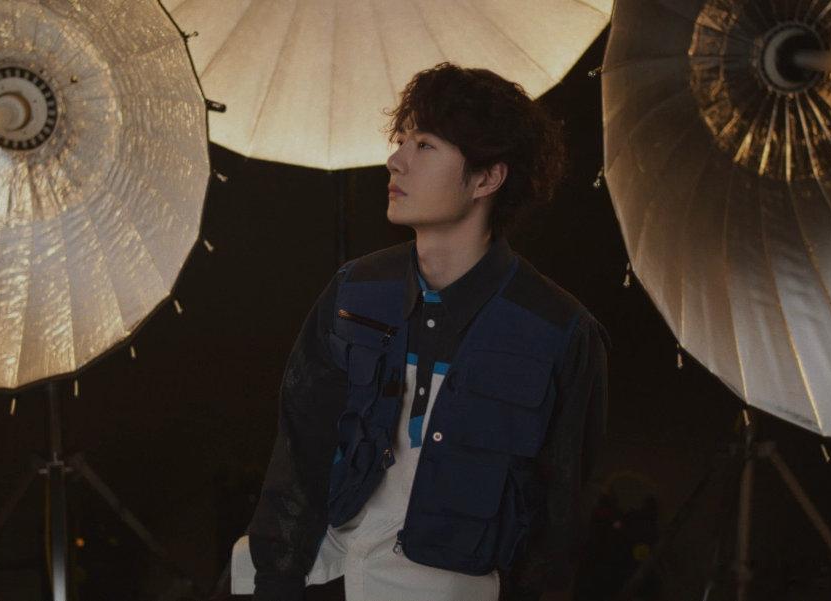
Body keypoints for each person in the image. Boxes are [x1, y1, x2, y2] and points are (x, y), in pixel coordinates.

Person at [237, 63, 609, 601]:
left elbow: (558, 521)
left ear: (486, 178)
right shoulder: (354, 292)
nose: (396, 160)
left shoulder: (558, 331)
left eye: (426, 145)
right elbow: (299, 454)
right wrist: (275, 584)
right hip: (330, 575)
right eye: (402, 140)